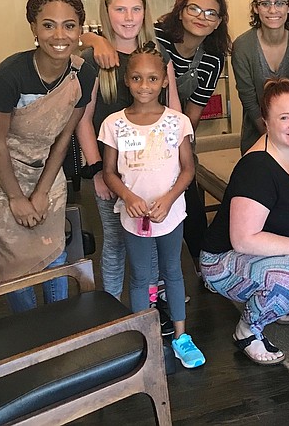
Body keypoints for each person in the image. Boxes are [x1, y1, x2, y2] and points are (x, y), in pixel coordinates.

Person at [84, 0, 232, 275]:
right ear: (180, 10)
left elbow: (183, 114)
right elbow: (83, 116)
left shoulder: (207, 57)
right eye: (194, 9)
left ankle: (194, 274)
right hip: (119, 158)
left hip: (165, 145)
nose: (201, 17)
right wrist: (95, 38)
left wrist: (178, 155)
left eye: (210, 13)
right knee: (116, 240)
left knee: (178, 213)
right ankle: (136, 297)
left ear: (219, 22)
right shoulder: (158, 39)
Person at [199, 78, 289, 365]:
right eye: (283, 118)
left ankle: (280, 301)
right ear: (266, 123)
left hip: (285, 251)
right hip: (224, 259)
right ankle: (247, 330)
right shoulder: (256, 167)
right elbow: (243, 239)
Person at [99, 42, 204, 368]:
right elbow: (109, 171)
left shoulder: (177, 122)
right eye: (137, 78)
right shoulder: (114, 124)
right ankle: (143, 337)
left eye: (152, 78)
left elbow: (188, 169)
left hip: (170, 214)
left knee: (173, 272)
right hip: (133, 217)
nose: (144, 86)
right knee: (141, 276)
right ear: (126, 81)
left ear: (164, 81)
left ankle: (181, 336)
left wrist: (169, 199)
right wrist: (129, 198)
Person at [0, 0, 95, 311]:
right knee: (15, 262)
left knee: (54, 254)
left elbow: (64, 139)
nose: (60, 35)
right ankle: (28, 329)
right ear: (34, 28)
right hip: (1, 174)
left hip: (48, 171)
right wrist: (16, 198)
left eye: (69, 26)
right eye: (49, 25)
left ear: (80, 30)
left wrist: (41, 192)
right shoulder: (8, 76)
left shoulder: (83, 74)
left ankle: (58, 325)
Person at [76, 0, 178, 301]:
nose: (129, 17)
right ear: (106, 12)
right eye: (120, 9)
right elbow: (83, 120)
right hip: (112, 174)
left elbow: (174, 116)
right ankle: (112, 307)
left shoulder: (159, 57)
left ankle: (148, 302)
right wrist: (96, 172)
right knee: (117, 241)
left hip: (153, 171)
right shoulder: (96, 61)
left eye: (136, 9)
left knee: (152, 239)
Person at [231, 0, 289, 154]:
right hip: (257, 136)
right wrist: (272, 139)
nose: (273, 10)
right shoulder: (243, 46)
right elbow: (248, 100)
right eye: (265, 3)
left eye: (279, 3)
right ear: (256, 7)